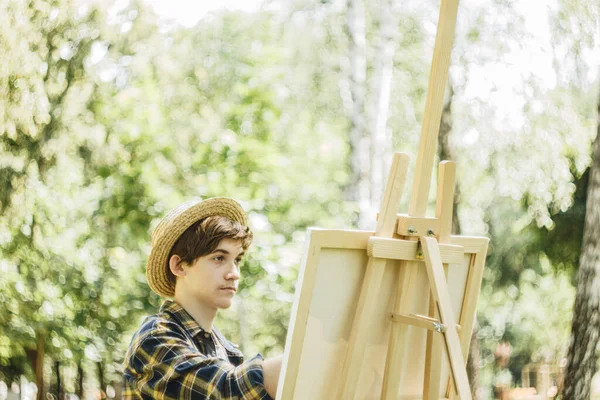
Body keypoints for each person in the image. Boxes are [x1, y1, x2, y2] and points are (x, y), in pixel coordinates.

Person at [123, 197, 282, 399]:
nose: (234, 273)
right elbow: (225, 391)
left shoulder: (227, 350)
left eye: (237, 260)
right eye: (219, 258)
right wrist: (307, 354)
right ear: (179, 266)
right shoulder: (154, 338)